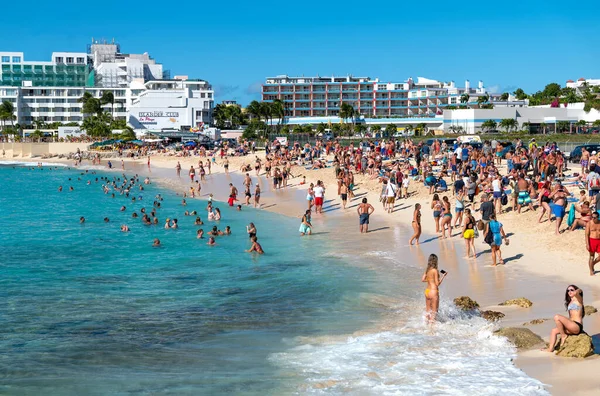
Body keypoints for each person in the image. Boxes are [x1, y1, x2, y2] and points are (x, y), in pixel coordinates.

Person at [543, 285, 585, 353]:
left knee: (557, 317)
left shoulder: (579, 300)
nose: (570, 291)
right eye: (568, 290)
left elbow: (579, 290)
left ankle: (563, 336)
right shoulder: (570, 302)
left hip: (577, 326)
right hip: (571, 326)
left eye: (571, 290)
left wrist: (577, 291)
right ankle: (550, 349)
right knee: (553, 331)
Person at [421, 254, 447, 324]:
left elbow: (423, 279)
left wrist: (430, 279)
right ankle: (432, 332)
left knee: (428, 311)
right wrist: (443, 276)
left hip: (427, 291)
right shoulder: (435, 270)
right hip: (433, 292)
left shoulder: (427, 269)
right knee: (434, 313)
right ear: (436, 261)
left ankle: (424, 327)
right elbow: (437, 284)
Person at [585, 211, 600, 276]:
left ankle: (592, 264)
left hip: (599, 240)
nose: (593, 219)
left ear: (598, 217)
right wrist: (587, 244)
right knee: (591, 256)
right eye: (592, 217)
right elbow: (586, 234)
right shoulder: (589, 223)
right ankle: (591, 271)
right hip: (592, 240)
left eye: (594, 218)